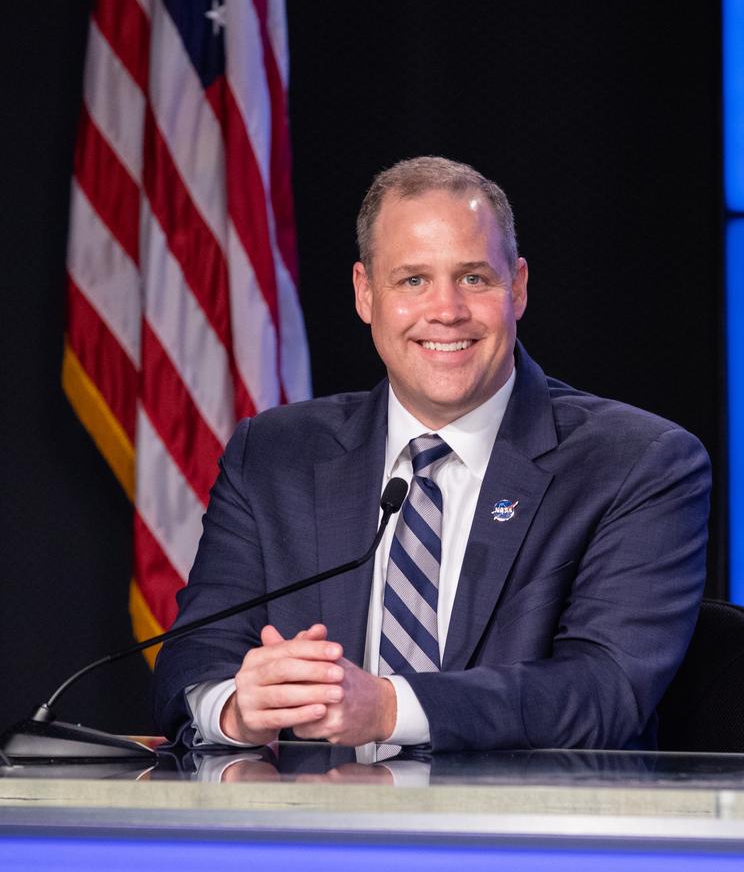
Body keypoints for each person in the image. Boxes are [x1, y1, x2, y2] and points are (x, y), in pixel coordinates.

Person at [152, 157, 710, 752]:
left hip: (522, 836)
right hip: (315, 832)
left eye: (473, 278)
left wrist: (389, 708)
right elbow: (195, 654)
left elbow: (605, 689)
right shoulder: (271, 456)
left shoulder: (637, 463)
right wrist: (237, 708)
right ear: (366, 294)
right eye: (413, 280)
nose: (446, 310)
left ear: (517, 288)